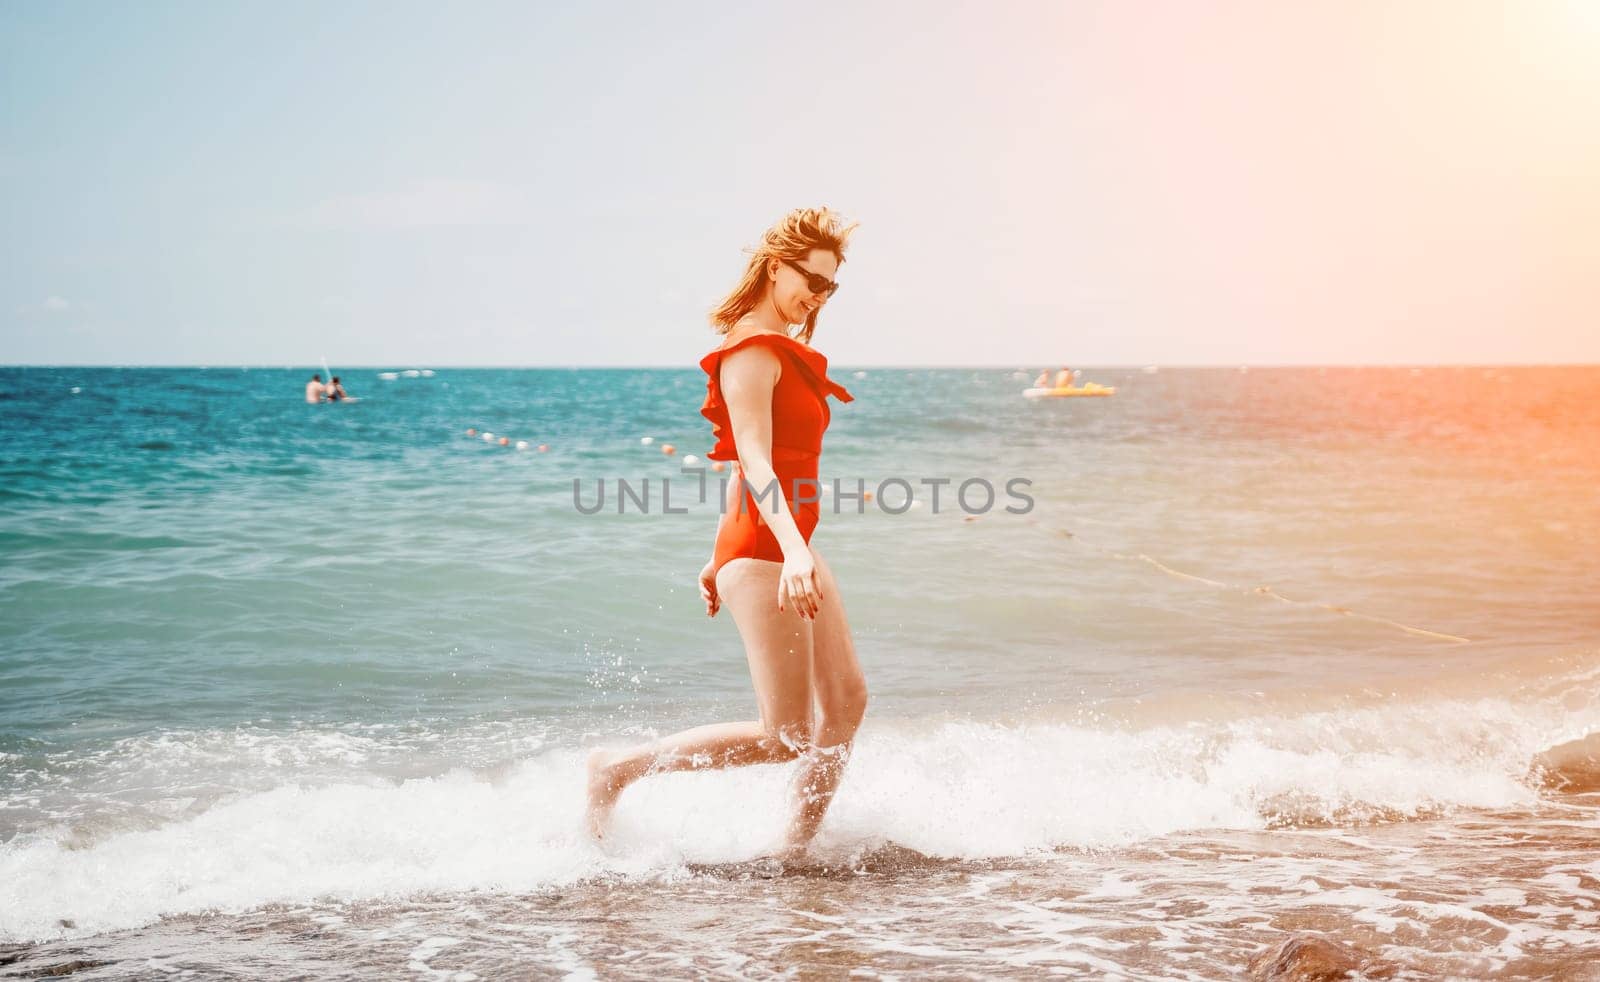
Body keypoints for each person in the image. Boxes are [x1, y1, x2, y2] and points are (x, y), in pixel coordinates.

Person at [585, 207, 868, 862]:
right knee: (786, 736)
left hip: (790, 547)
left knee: (848, 700)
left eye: (829, 288)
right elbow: (759, 461)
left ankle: (792, 850)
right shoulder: (751, 354)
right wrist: (778, 551)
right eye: (811, 281)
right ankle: (615, 769)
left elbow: (746, 473)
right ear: (776, 268)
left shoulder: (781, 351)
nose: (818, 297)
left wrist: (718, 556)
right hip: (774, 551)